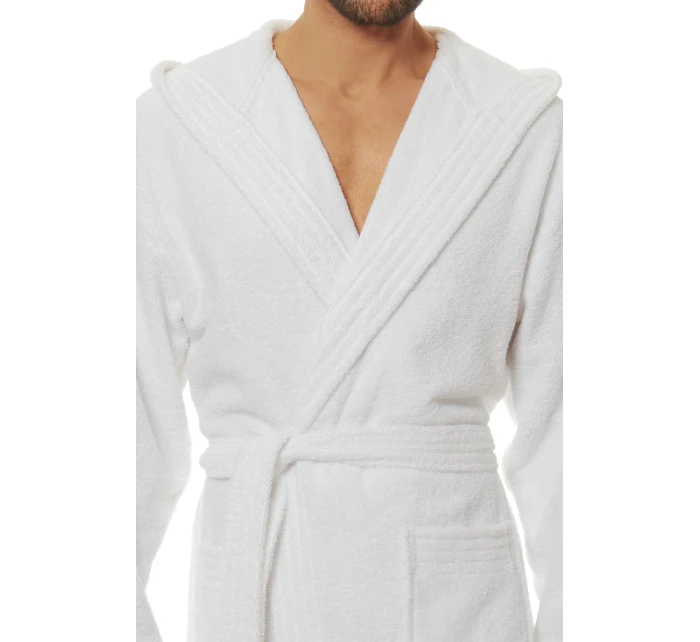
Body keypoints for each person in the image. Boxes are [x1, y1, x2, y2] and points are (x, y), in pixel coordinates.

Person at [136, 1, 563, 641]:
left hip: (458, 605)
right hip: (261, 588)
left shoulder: (522, 128)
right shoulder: (178, 126)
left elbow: (571, 435)